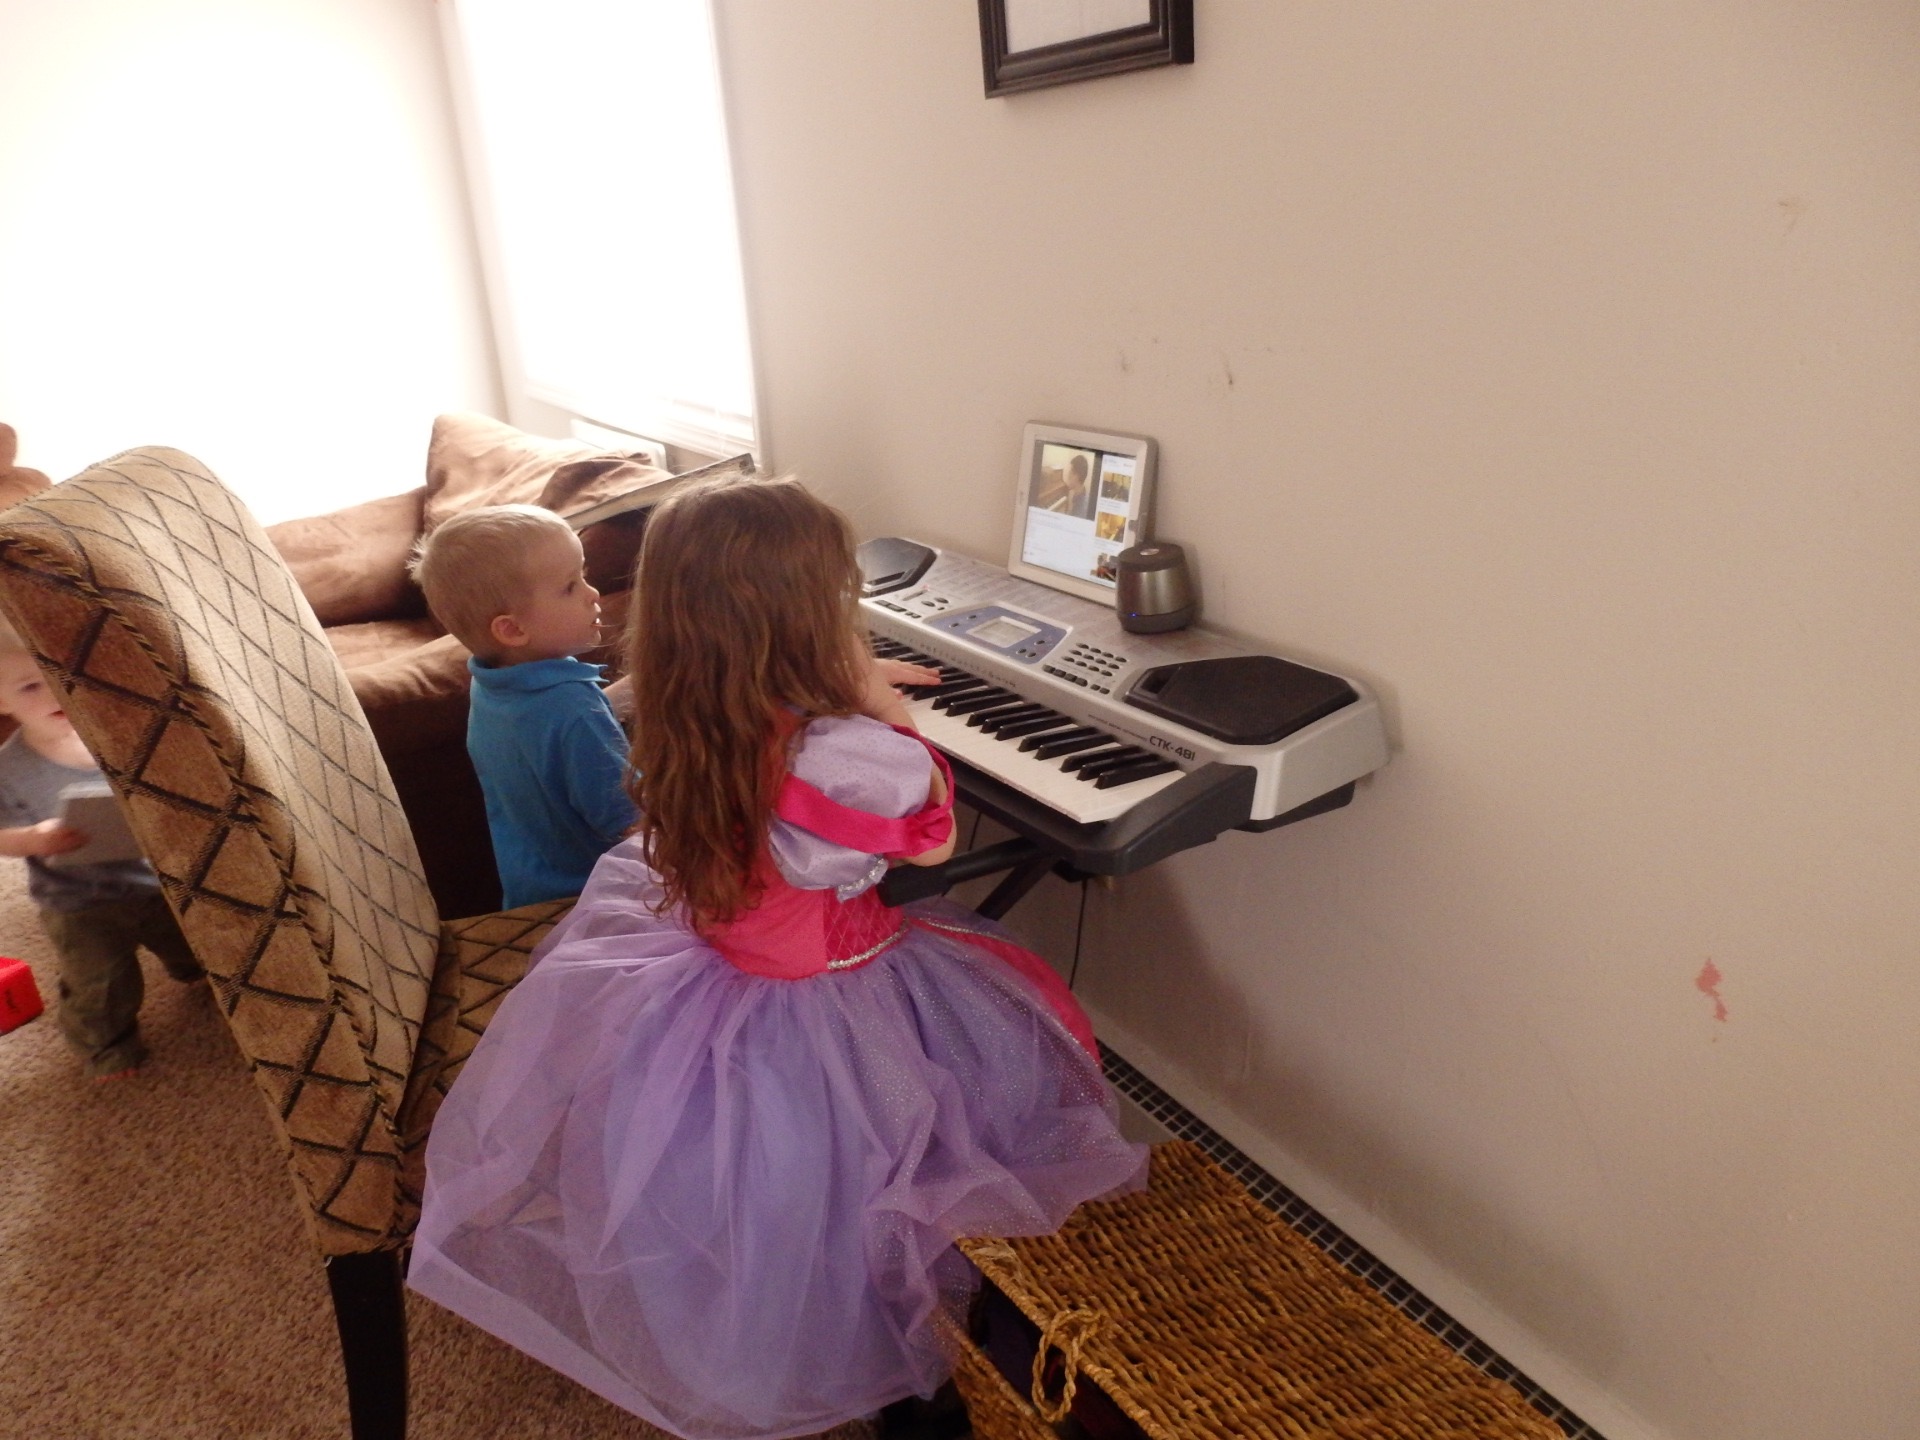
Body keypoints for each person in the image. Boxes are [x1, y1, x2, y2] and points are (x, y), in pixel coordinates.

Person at [409, 476, 1147, 1440]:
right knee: (881, 1180)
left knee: (789, 1198)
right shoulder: (840, 752)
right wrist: (880, 705)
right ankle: (909, 1386)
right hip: (828, 1001)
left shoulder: (682, 704)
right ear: (805, 619)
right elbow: (924, 843)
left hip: (717, 985)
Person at [0, 624, 202, 1079]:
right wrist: (31, 838)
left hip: (151, 878)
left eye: (63, 673)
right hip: (79, 902)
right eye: (31, 686)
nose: (56, 692)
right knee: (101, 982)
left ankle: (190, 969)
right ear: (1, 701)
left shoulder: (119, 737)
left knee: (189, 936)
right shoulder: (8, 769)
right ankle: (104, 1047)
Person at [410, 504, 636, 907]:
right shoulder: (573, 708)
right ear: (513, 629)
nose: (593, 593)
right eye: (570, 586)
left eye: (582, 575)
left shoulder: (492, 686)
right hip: (593, 900)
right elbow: (631, 823)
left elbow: (555, 741)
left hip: (529, 890)